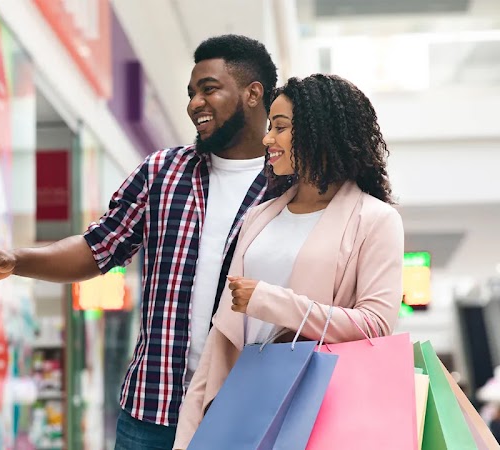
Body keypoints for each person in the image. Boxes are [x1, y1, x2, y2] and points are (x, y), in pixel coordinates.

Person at [0, 34, 279, 450]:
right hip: (153, 413)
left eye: (209, 89)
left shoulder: (289, 185)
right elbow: (97, 247)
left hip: (247, 412)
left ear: (253, 94)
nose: (195, 103)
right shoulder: (163, 172)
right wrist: (16, 260)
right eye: (191, 93)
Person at [173, 73, 404, 448]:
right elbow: (223, 336)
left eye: (279, 127)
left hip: (320, 408)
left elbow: (375, 326)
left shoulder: (375, 220)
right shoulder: (260, 217)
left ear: (319, 132)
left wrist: (270, 301)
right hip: (244, 401)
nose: (267, 139)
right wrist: (188, 435)